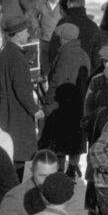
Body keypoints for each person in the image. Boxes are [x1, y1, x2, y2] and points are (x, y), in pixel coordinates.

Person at [40, 21, 91, 176]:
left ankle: (62, 172)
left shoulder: (65, 55)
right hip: (79, 105)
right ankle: (73, 167)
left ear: (63, 39)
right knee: (75, 141)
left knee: (60, 143)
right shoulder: (82, 53)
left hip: (63, 107)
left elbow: (57, 81)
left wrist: (48, 102)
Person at [0, 17, 42, 179]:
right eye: (25, 30)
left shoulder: (4, 53)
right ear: (16, 34)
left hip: (6, 113)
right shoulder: (17, 56)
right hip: (19, 115)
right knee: (21, 159)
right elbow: (22, 89)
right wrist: (35, 110)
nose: (28, 33)